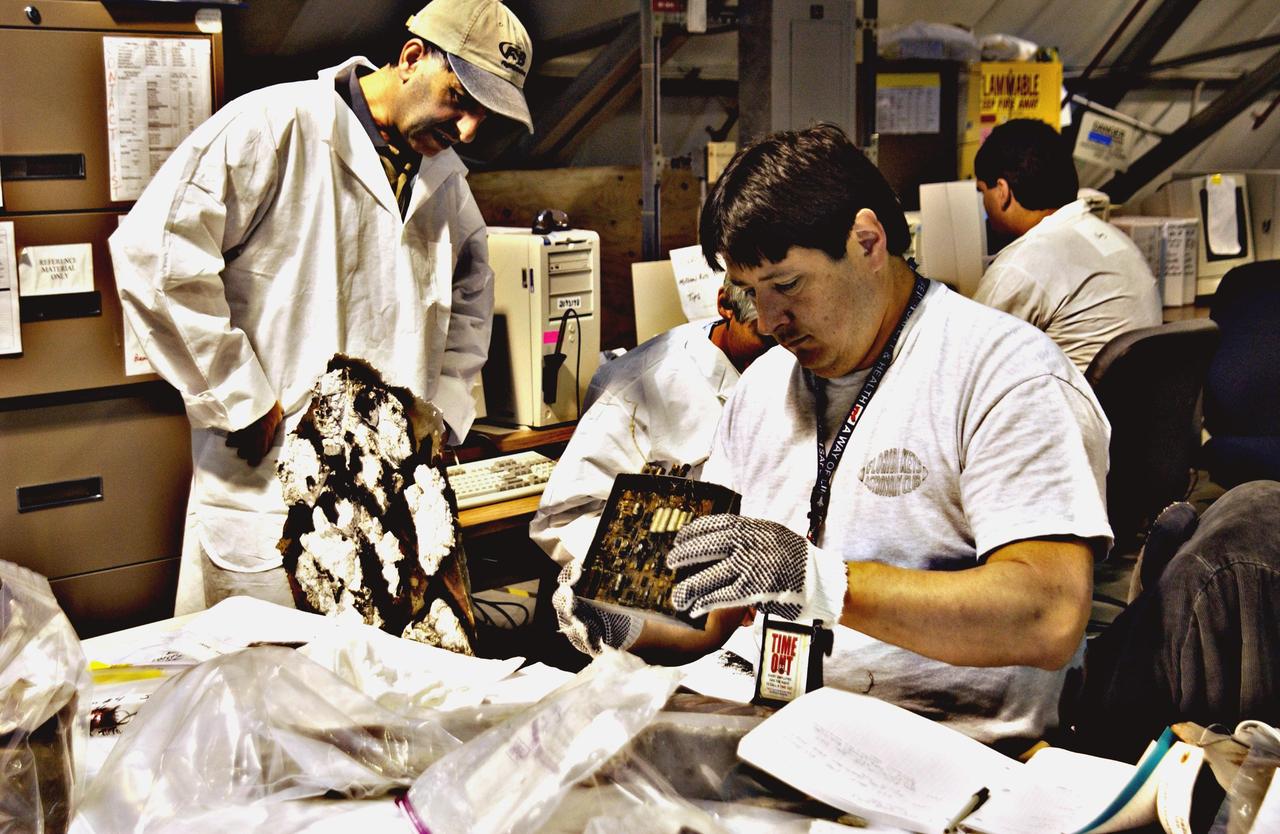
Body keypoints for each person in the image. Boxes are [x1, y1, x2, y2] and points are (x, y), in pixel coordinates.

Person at [659, 123, 1112, 746]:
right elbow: (710, 617)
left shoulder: (1006, 374)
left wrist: (820, 581)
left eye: (787, 285)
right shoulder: (762, 389)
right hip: (759, 715)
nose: (767, 322)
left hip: (933, 740)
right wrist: (616, 612)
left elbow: (1047, 614)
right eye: (750, 294)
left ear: (868, 241)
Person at [110, 0, 534, 615]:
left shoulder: (446, 185)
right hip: (270, 484)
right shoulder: (275, 125)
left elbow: (470, 306)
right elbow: (157, 254)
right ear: (412, 58)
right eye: (460, 99)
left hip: (389, 503)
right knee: (268, 693)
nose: (468, 130)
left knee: (379, 698)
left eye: (483, 116)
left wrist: (438, 415)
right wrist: (237, 398)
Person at [536, 279, 773, 657]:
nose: (777, 358)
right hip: (641, 606)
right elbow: (567, 515)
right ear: (725, 306)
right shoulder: (644, 383)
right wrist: (660, 570)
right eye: (766, 342)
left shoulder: (795, 368)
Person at [972, 118, 1162, 373]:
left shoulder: (1021, 265)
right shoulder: (1116, 240)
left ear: (1002, 192)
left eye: (982, 191)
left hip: (1074, 410)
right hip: (1135, 410)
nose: (983, 203)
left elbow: (967, 359)